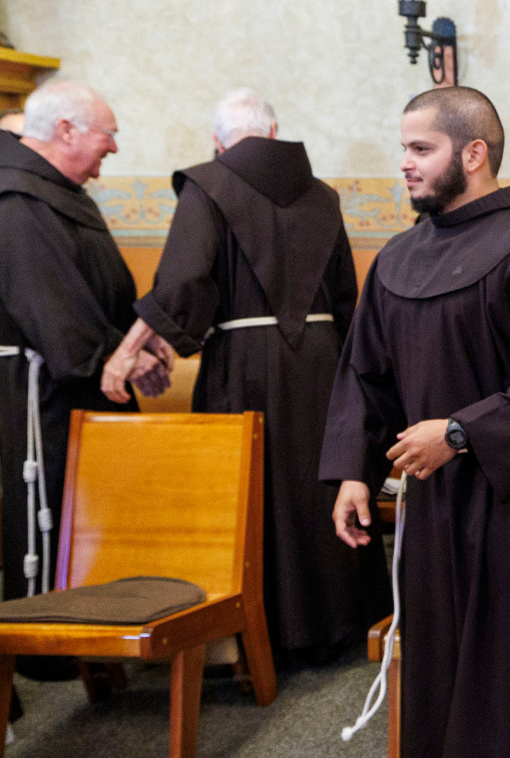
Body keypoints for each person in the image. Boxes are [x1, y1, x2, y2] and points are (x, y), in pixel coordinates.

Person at [319, 87, 510, 758]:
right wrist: (352, 475)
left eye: (421, 149)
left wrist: (459, 433)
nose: (405, 164)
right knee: (442, 669)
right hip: (435, 510)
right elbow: (365, 374)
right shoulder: (395, 259)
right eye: (404, 149)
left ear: (473, 153)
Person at [100, 88, 387, 659]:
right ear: (274, 132)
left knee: (255, 490)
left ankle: (265, 634)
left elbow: (183, 283)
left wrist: (130, 349)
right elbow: (344, 294)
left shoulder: (208, 185)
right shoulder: (324, 196)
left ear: (217, 140)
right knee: (320, 480)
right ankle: (343, 623)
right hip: (323, 357)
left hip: (244, 363)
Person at [0, 81, 168, 680]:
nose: (115, 149)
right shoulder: (16, 199)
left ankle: (100, 637)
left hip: (84, 380)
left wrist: (136, 343)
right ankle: (49, 650)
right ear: (66, 130)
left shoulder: (61, 191)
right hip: (41, 390)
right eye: (108, 133)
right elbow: (51, 307)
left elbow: (102, 286)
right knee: (48, 513)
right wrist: (114, 356)